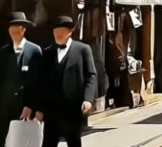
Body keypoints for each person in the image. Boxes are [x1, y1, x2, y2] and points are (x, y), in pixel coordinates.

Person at [40, 16, 96, 147]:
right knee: (48, 142)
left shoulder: (83, 50)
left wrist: (88, 99)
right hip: (52, 109)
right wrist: (39, 107)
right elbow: (42, 82)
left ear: (69, 32)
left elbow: (91, 75)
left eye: (61, 32)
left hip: (73, 108)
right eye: (56, 32)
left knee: (73, 142)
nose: (58, 35)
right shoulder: (48, 52)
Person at [0, 12, 43, 145]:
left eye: (17, 30)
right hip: (4, 107)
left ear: (23, 29)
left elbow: (39, 82)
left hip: (25, 108)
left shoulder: (34, 51)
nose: (14, 33)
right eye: (11, 30)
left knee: (23, 142)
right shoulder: (3, 53)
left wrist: (33, 106)